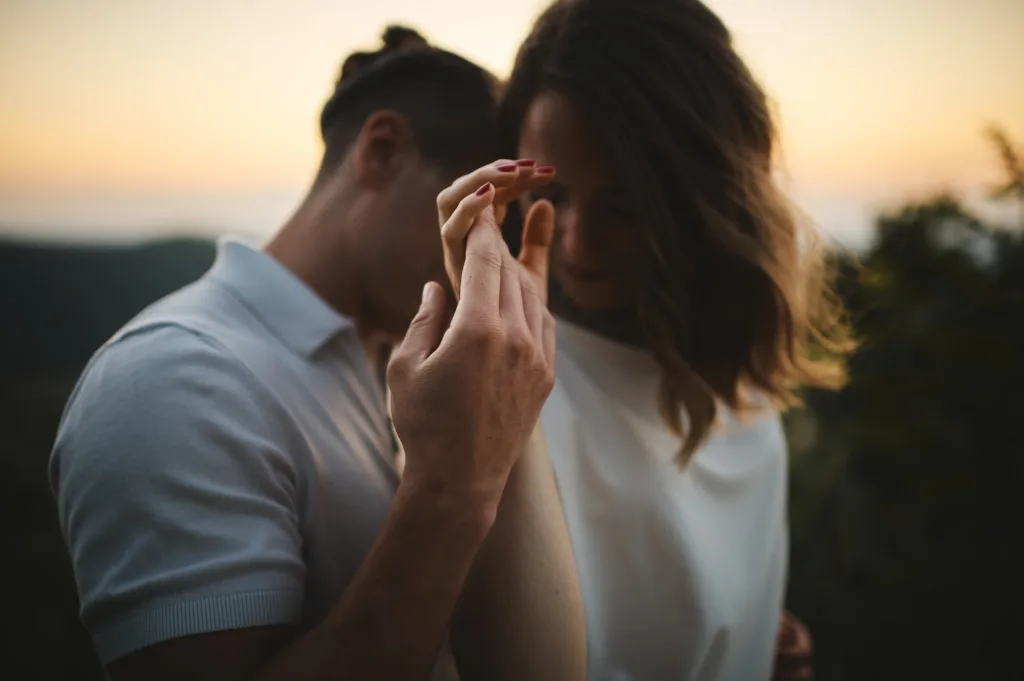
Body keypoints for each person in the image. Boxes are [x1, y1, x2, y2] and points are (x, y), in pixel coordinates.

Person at [49, 27, 585, 681]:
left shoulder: (391, 363)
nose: (488, 261)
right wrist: (451, 483)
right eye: (490, 216)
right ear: (381, 150)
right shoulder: (174, 378)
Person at [438, 1, 853, 679]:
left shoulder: (742, 389)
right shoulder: (518, 382)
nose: (577, 242)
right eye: (556, 193)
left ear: (699, 201)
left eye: (624, 206)